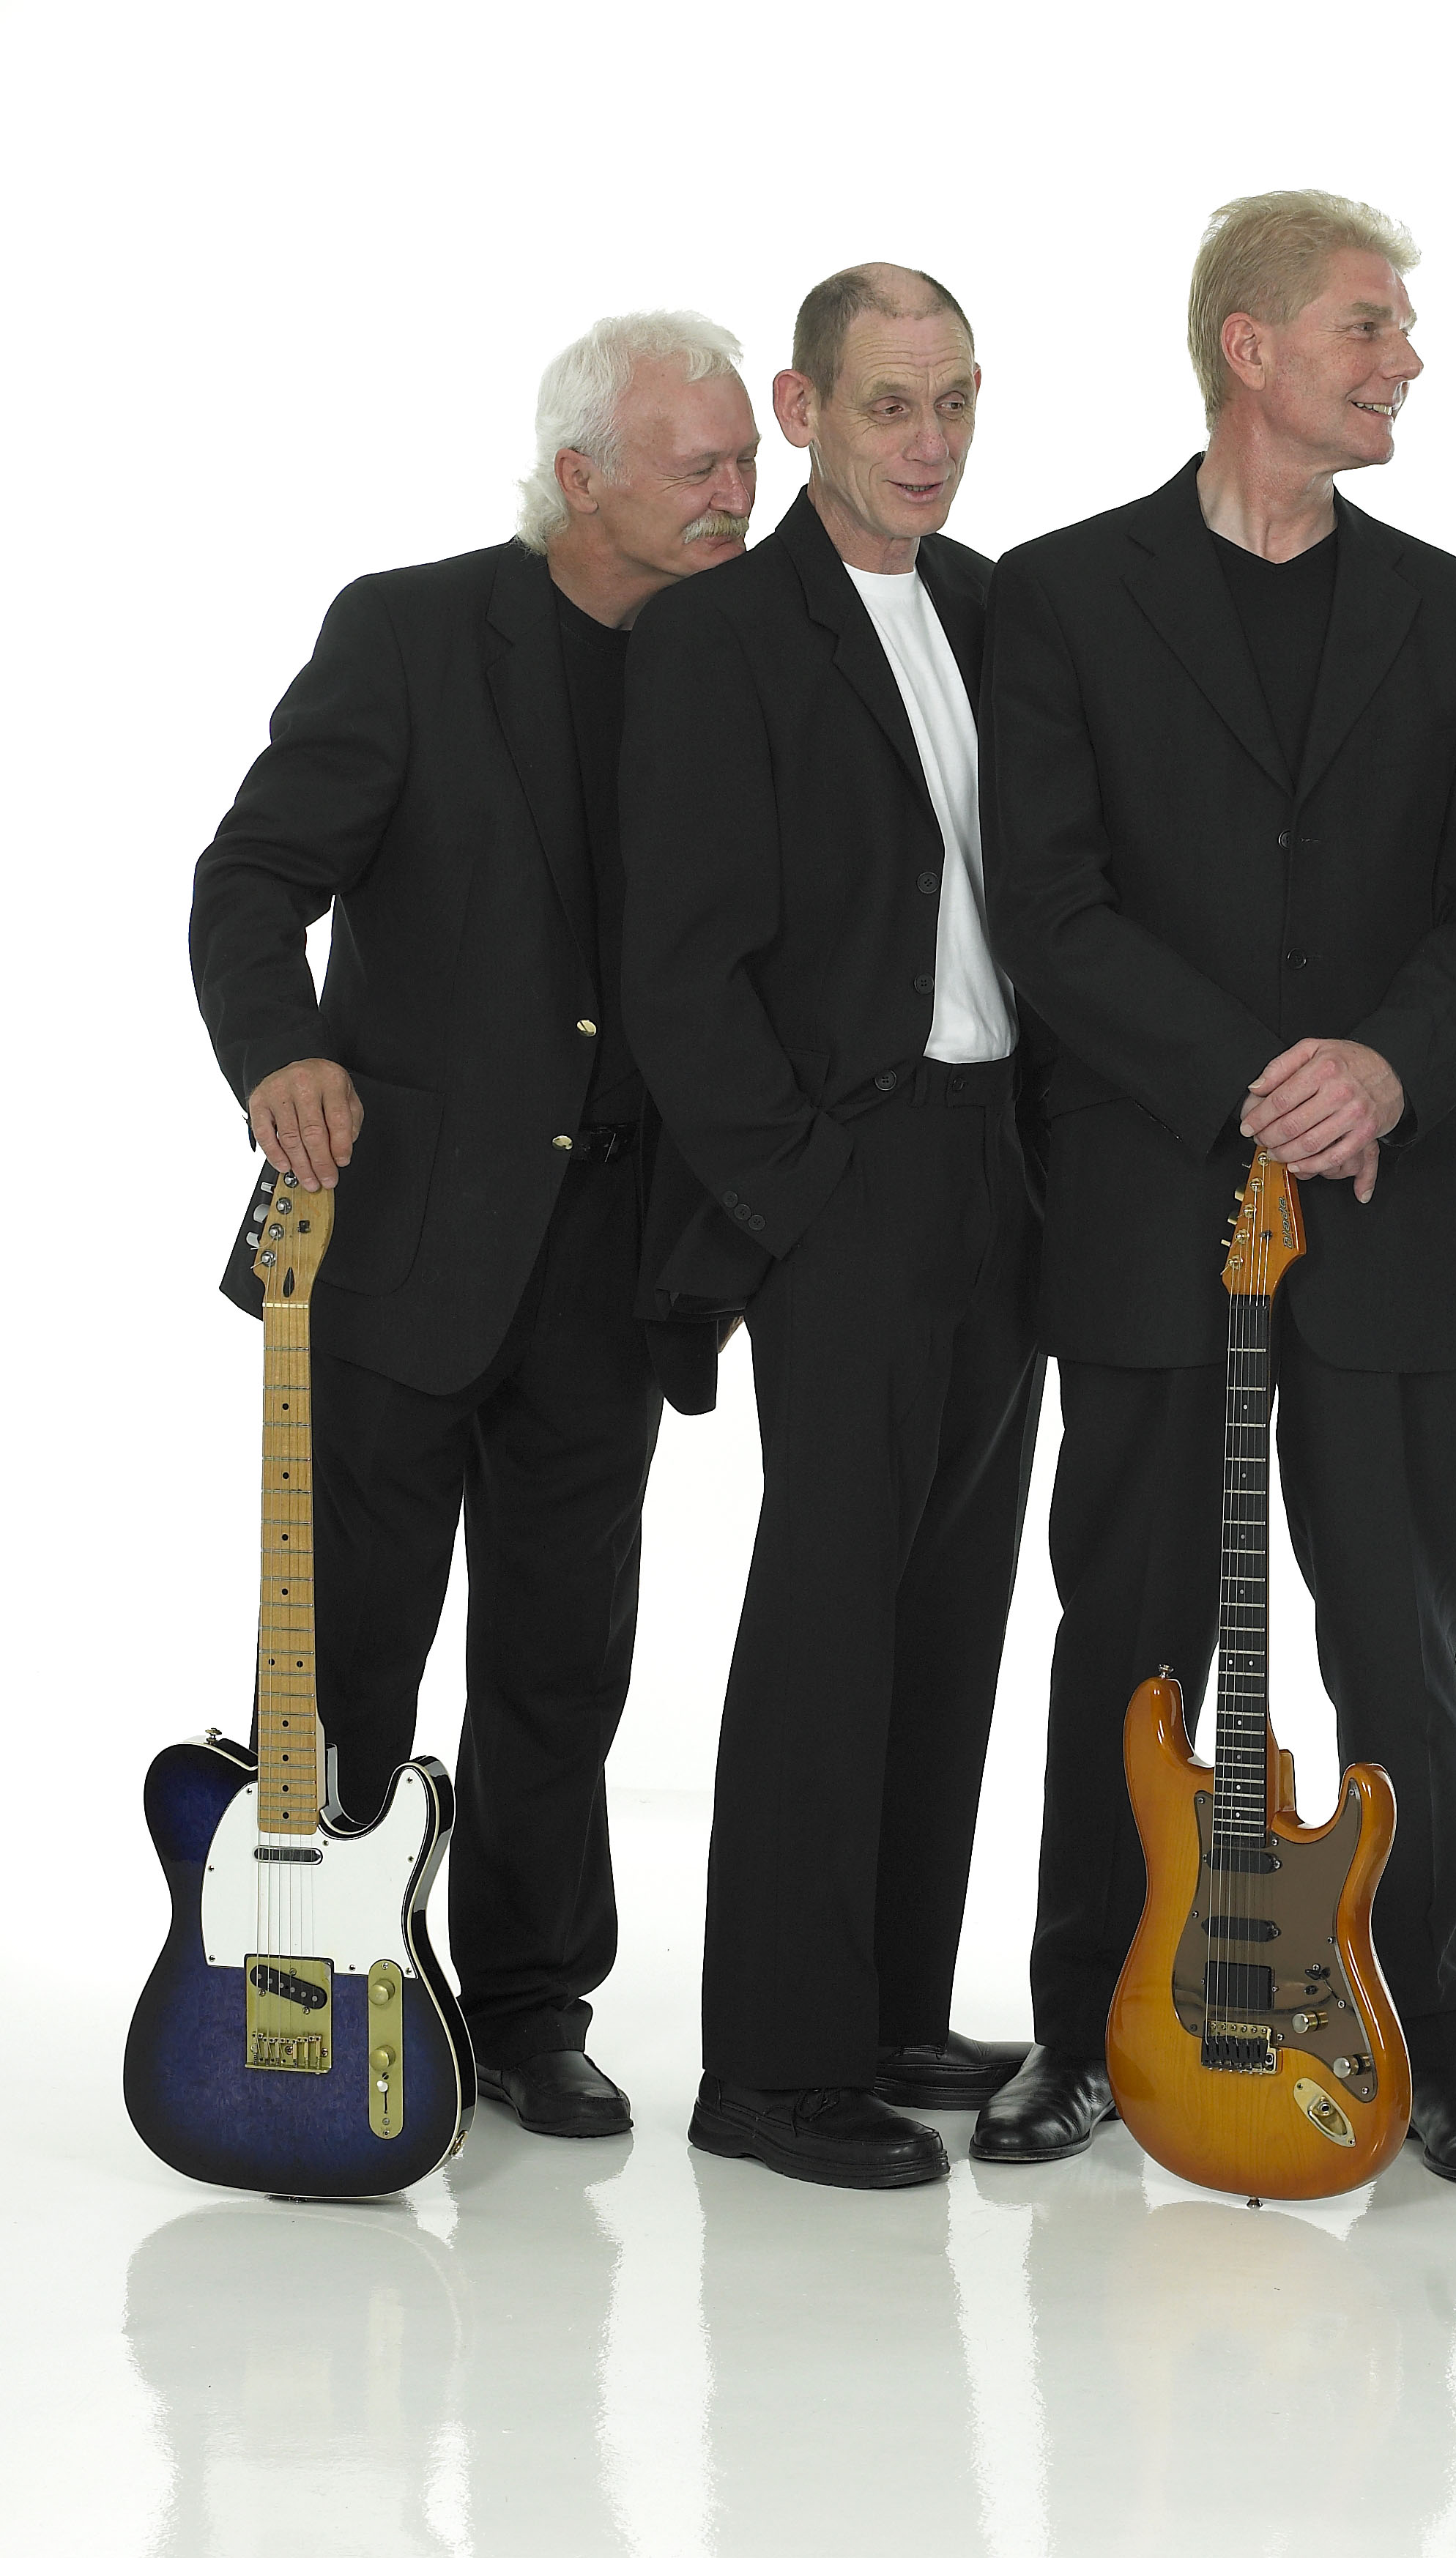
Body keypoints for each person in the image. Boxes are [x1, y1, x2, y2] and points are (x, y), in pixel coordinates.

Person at [981, 190, 1456, 2182]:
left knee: (1400, 1636)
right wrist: (1255, 1079)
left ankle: (1436, 2037)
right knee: (1129, 1637)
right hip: (1150, 1200)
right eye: (1368, 325)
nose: (1405, 359)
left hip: (1385, 1208)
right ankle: (1080, 2028)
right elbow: (1050, 911)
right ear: (1252, 349)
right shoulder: (1061, 598)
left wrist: (1382, 1066)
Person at [188, 311, 760, 2138]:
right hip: (401, 1234)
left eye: (748, 459)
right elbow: (251, 878)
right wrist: (282, 1053)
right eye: (701, 464)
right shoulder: (413, 632)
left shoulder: (744, 660)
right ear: (581, 474)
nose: (740, 493)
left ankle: (527, 2008)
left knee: (558, 1661)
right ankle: (321, 1975)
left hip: (622, 1253)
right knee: (347, 1643)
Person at [622, 263, 1043, 2192]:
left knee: (951, 1605)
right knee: (830, 1609)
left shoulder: (990, 607)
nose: (929, 441)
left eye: (953, 400)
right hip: (847, 1175)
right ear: (802, 411)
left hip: (1000, 1165)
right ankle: (774, 2069)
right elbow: (678, 965)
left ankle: (883, 2009)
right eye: (888, 404)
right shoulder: (720, 635)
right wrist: (795, 1191)